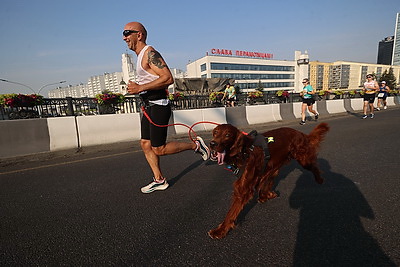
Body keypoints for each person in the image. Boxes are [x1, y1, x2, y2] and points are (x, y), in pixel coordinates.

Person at [122, 22, 210, 193]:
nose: (124, 37)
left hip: (159, 106)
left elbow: (168, 78)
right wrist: (139, 89)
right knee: (145, 144)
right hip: (148, 107)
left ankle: (196, 146)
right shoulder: (140, 56)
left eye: (127, 33)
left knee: (159, 149)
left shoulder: (150, 53)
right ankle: (159, 180)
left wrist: (140, 88)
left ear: (139, 35)